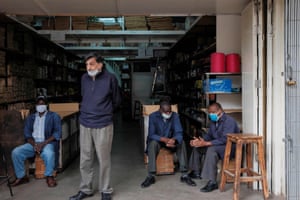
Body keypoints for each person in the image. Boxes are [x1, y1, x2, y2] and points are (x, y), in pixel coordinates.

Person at [69, 53, 121, 200]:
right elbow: (84, 96)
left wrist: (105, 112)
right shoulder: (84, 78)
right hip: (85, 122)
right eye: (86, 65)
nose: (88, 67)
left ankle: (106, 190)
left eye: (91, 64)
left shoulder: (110, 78)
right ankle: (85, 189)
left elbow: (117, 101)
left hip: (103, 123)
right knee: (85, 158)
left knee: (103, 158)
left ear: (100, 64)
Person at [141, 97, 196, 188]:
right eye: (166, 112)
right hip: (159, 140)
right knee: (152, 143)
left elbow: (179, 132)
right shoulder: (153, 116)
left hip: (171, 140)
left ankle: (184, 174)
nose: (168, 114)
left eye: (169, 111)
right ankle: (151, 176)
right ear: (160, 110)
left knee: (181, 142)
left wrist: (174, 140)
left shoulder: (175, 116)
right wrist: (164, 139)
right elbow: (151, 134)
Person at [11, 95, 62, 187]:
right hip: (33, 143)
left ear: (46, 105)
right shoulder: (31, 118)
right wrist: (34, 144)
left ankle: (49, 176)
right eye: (38, 104)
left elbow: (57, 133)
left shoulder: (54, 116)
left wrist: (43, 144)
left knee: (49, 153)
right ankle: (22, 177)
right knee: (16, 152)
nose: (40, 106)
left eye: (42, 103)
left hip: (47, 143)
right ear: (35, 106)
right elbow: (27, 134)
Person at [190, 102, 240, 192]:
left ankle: (212, 182)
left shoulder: (229, 121)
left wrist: (207, 143)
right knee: (197, 147)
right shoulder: (214, 121)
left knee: (211, 150)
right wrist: (200, 141)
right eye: (210, 112)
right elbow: (209, 135)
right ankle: (196, 171)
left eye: (213, 112)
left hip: (229, 147)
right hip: (217, 144)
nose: (211, 114)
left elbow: (225, 139)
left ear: (220, 111)